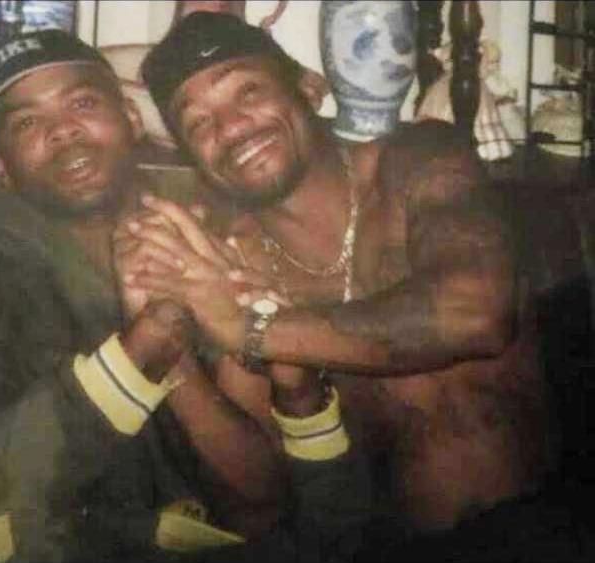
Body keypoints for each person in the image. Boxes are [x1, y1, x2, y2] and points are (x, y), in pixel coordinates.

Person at [0, 29, 296, 563]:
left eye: (82, 103)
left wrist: (177, 348)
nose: (62, 131)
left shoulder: (213, 242)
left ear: (131, 118)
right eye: (27, 123)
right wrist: (135, 358)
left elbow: (263, 500)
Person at [129, 11, 558, 554]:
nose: (232, 129)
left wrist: (254, 330)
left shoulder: (418, 161)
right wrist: (163, 333)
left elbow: (476, 312)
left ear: (309, 88)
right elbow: (263, 503)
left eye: (248, 92)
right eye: (198, 124)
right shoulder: (233, 261)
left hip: (533, 533)